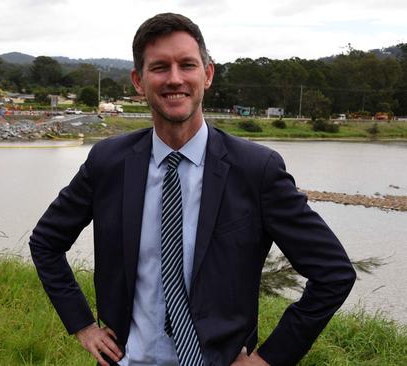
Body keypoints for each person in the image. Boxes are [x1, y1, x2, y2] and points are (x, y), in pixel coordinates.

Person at [29, 13, 355, 366]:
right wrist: (82, 324)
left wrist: (269, 359)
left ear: (207, 74)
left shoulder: (255, 171)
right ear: (138, 81)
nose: (174, 79)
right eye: (159, 67)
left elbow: (334, 272)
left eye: (187, 65)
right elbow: (46, 241)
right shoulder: (109, 162)